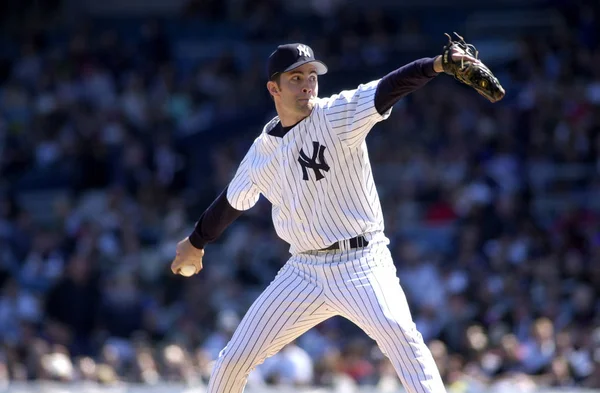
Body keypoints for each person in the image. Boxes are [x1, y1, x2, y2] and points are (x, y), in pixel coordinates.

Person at [171, 41, 480, 393]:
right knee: (233, 359)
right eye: (296, 78)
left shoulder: (335, 115)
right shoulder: (262, 150)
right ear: (274, 88)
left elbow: (387, 88)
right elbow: (231, 202)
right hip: (303, 271)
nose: (307, 85)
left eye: (312, 77)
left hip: (363, 263)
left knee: (403, 341)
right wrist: (195, 242)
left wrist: (436, 65)